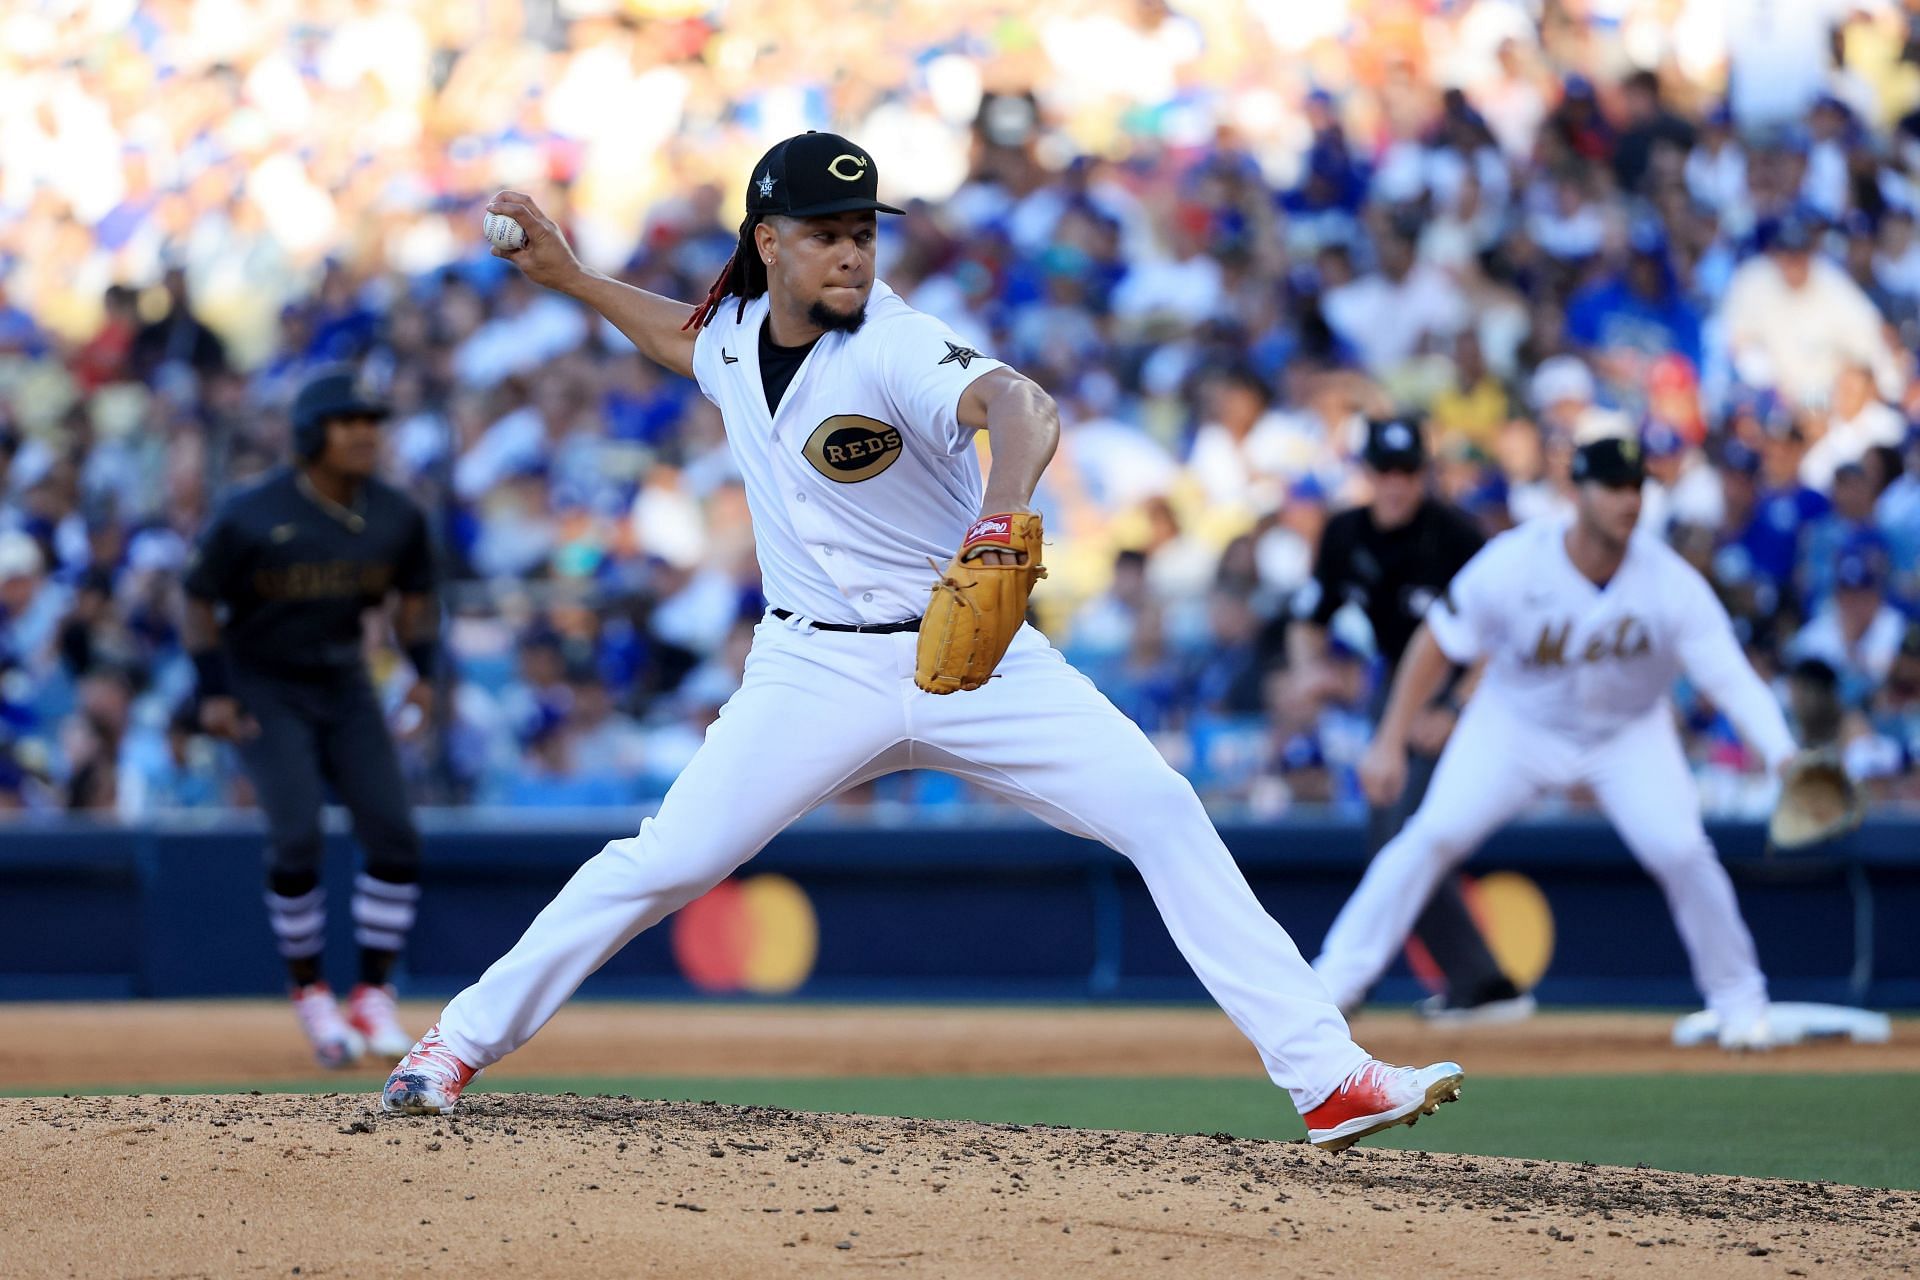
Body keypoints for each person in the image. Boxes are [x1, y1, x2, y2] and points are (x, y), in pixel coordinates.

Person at [381, 132, 1465, 1153]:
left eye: (863, 227)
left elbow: (1020, 404)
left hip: (973, 654)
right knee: (666, 859)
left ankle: (1326, 1076)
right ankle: (455, 1042)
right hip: (811, 667)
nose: (853, 247)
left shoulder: (893, 342)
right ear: (770, 243)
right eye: (826, 229)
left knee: (1162, 809)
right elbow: (686, 338)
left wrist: (1001, 516)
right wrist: (571, 277)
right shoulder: (734, 331)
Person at [1312, 437, 1800, 1050]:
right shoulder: (1516, 562)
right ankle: (1333, 985)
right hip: (1516, 725)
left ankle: (1739, 1003)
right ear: (1577, 492)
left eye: (1636, 487)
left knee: (1680, 850)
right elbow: (1438, 642)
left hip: (1629, 734)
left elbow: (1730, 676)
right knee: (1430, 835)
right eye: (1613, 486)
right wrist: (1388, 739)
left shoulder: (1669, 581)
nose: (1628, 499)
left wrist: (1783, 754)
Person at [182, 367, 440, 1068]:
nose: (365, 433)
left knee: (394, 835)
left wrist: (424, 673)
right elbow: (199, 598)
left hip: (345, 681)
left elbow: (416, 596)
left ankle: (374, 995)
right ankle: (310, 991)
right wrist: (213, 691)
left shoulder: (396, 514)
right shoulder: (251, 514)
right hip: (265, 684)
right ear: (309, 433)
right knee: (295, 837)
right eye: (348, 420)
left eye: (372, 421)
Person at [1289, 419, 1531, 1023]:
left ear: (1424, 475)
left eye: (1407, 472)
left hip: (1472, 687)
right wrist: (1309, 668)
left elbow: (1502, 637)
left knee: (1403, 838)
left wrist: (1453, 707)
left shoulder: (1456, 535)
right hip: (1397, 681)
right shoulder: (1346, 531)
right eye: (1384, 472)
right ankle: (1482, 983)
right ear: (1367, 475)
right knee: (1391, 842)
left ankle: (1351, 981)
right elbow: (1308, 615)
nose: (1396, 485)